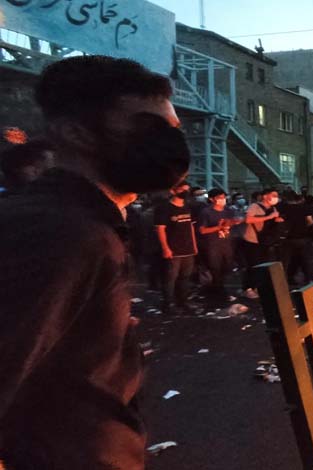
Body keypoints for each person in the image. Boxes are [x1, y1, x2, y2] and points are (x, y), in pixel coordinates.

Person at [0, 56, 189, 469]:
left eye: (171, 130)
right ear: (74, 132)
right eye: (145, 127)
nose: (168, 145)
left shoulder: (90, 222)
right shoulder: (60, 232)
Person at [154, 181, 198, 313]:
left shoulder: (188, 207)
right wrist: (165, 248)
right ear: (173, 191)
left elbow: (191, 227)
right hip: (173, 249)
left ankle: (183, 302)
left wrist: (194, 245)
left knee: (185, 277)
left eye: (187, 189)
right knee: (170, 279)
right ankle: (168, 304)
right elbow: (160, 229)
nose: (185, 192)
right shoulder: (164, 208)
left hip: (187, 248)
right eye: (182, 189)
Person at [198, 188, 240, 304]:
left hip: (226, 243)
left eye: (223, 197)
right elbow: (202, 230)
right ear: (211, 199)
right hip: (212, 244)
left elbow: (233, 222)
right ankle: (219, 293)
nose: (222, 200)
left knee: (226, 267)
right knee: (215, 268)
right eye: (219, 198)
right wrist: (218, 227)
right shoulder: (206, 212)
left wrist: (233, 222)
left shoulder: (228, 210)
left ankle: (215, 290)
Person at [241, 189, 284, 298]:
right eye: (273, 195)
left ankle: (258, 287)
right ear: (265, 196)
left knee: (263, 265)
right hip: (252, 240)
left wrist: (277, 220)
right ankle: (248, 288)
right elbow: (248, 220)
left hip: (266, 241)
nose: (276, 198)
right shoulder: (254, 206)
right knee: (252, 265)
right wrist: (269, 217)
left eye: (277, 196)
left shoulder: (273, 208)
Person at [281, 192, 313, 287]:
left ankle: (284, 281)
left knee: (287, 261)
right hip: (303, 237)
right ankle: (309, 279)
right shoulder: (305, 208)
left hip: (287, 238)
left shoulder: (283, 208)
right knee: (306, 259)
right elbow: (310, 221)